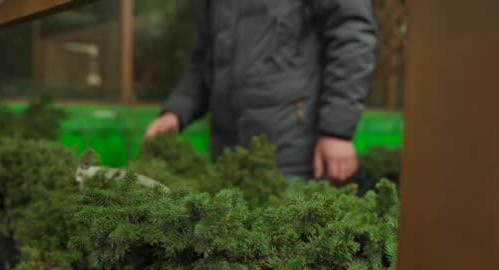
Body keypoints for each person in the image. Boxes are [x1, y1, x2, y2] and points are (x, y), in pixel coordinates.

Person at [144, 0, 377, 183]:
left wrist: (337, 132)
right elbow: (205, 60)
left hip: (292, 153)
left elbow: (352, 36)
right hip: (227, 155)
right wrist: (175, 112)